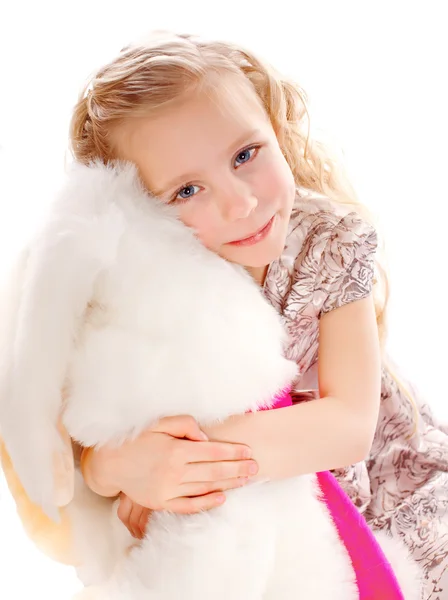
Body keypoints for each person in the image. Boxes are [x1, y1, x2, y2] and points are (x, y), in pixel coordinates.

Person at [1, 30, 447, 598]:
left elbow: (346, 428)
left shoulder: (328, 241)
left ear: (275, 126)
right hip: (239, 514)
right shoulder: (142, 285)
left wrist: (172, 464)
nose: (240, 203)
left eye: (245, 155)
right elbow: (89, 425)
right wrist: (110, 469)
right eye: (187, 190)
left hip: (381, 493)